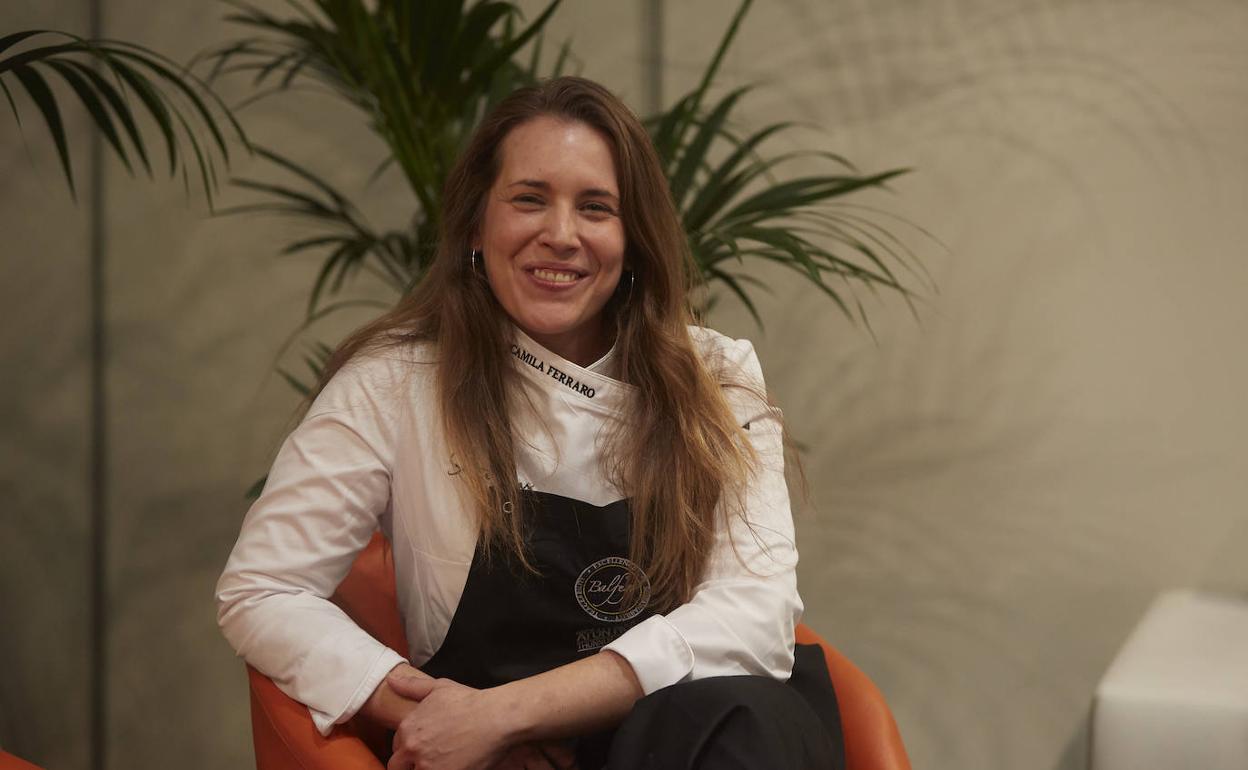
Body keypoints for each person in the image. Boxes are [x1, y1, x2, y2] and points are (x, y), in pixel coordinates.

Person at [215, 76, 843, 769]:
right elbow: (264, 589)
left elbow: (755, 616)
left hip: (692, 739)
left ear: (633, 239)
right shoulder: (393, 383)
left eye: (596, 207)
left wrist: (509, 714)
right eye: (529, 199)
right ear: (476, 225)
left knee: (743, 716)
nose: (561, 235)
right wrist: (435, 714)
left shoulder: (717, 377)